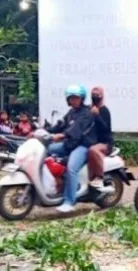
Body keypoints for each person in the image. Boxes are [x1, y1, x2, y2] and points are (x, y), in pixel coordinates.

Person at [47, 84, 97, 213]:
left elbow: (76, 130)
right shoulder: (71, 112)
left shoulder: (86, 113)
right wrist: (44, 130)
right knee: (47, 150)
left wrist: (62, 135)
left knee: (72, 167)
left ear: (81, 98)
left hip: (83, 146)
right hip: (70, 144)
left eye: (76, 98)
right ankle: (55, 184)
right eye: (71, 98)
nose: (73, 100)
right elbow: (61, 125)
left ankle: (69, 201)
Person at [87, 87, 114, 192]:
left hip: (105, 143)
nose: (95, 97)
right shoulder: (90, 109)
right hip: (91, 141)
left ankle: (99, 177)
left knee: (92, 150)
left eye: (97, 95)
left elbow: (105, 128)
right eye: (93, 95)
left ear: (102, 96)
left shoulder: (104, 111)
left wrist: (97, 115)